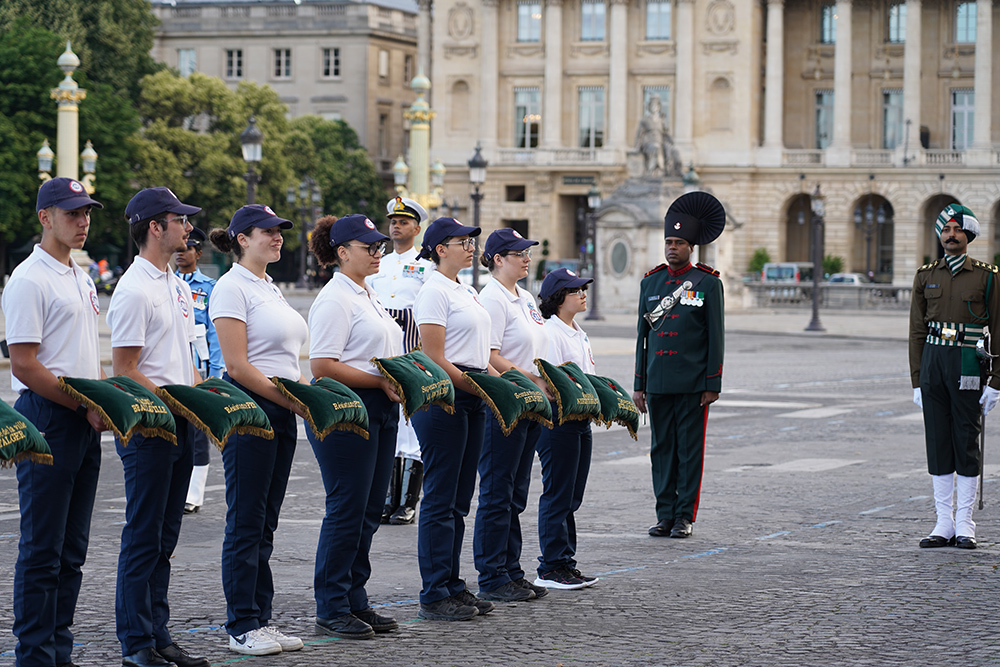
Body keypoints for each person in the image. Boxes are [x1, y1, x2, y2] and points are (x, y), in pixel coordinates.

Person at [4, 178, 107, 667]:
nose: (83, 221)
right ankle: (34, 654)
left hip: (82, 416)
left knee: (72, 550)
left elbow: (88, 354)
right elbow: (24, 363)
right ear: (45, 217)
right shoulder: (29, 278)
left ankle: (57, 650)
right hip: (48, 416)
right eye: (72, 213)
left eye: (86, 212)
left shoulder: (80, 277)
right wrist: (81, 403)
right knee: (43, 548)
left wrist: (104, 397)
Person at [107, 187, 210, 667]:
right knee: (144, 534)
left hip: (180, 421)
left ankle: (159, 631)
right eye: (180, 220)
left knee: (166, 537)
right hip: (150, 426)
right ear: (155, 226)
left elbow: (184, 359)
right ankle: (136, 642)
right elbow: (125, 368)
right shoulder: (134, 287)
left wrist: (197, 397)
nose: (189, 228)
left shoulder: (173, 281)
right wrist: (176, 402)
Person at [208, 205, 308, 655]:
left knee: (265, 521)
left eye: (279, 231)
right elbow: (236, 365)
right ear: (242, 239)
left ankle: (261, 618)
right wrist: (293, 400)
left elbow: (285, 359)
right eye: (267, 231)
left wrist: (305, 398)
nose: (277, 237)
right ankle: (242, 624)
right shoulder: (231, 287)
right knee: (246, 519)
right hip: (250, 409)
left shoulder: (269, 286)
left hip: (281, 408)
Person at [307, 214, 405, 639]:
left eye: (379, 246)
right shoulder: (335, 298)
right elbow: (323, 365)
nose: (378, 252)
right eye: (370, 247)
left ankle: (354, 597)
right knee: (347, 508)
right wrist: (381, 380)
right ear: (342, 252)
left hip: (379, 407)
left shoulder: (368, 294)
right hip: (347, 407)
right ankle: (331, 605)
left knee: (368, 510)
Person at [411, 217, 495, 621]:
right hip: (445, 397)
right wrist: (480, 387)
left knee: (459, 500)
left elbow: (478, 353)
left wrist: (507, 385)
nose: (471, 247)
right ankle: (434, 591)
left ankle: (453, 584)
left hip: (473, 392)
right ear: (440, 249)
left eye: (471, 241)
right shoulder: (433, 291)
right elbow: (433, 357)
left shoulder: (465, 289)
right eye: (463, 241)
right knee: (441, 498)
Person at [634, 192, 726, 540]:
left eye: (679, 243)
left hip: (691, 383)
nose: (672, 248)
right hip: (657, 381)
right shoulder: (651, 282)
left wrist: (711, 382)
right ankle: (664, 514)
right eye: (668, 242)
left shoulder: (708, 283)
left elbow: (715, 336)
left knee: (689, 451)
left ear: (691, 247)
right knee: (661, 451)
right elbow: (642, 337)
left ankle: (684, 516)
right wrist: (639, 383)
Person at [909, 204, 1000, 550]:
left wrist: (997, 380)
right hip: (933, 363)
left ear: (969, 235)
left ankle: (965, 522)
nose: (950, 236)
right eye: (945, 230)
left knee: (965, 439)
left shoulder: (988, 276)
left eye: (957, 230)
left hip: (968, 363)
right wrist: (917, 379)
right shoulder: (925, 275)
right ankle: (943, 522)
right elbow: (917, 331)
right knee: (937, 440)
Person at [473, 228, 551, 602]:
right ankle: (491, 573)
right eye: (518, 252)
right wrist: (526, 380)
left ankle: (511, 569)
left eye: (527, 251)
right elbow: (489, 355)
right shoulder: (492, 298)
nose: (526, 257)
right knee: (497, 490)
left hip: (529, 401)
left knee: (516, 492)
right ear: (497, 259)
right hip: (505, 404)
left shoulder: (525, 297)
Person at [532, 268, 599, 590]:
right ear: (559, 298)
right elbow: (552, 380)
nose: (583, 294)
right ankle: (551, 566)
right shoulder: (550, 332)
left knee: (572, 495)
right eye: (576, 290)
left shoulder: (576, 331)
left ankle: (565, 561)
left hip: (580, 418)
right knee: (558, 493)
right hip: (559, 419)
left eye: (584, 289)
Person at [367, 196, 432, 525]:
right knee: (391, 427)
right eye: (393, 221)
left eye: (404, 222)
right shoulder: (380, 263)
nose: (396, 226)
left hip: (413, 351)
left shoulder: (427, 266)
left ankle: (407, 500)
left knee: (410, 428)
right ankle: (388, 498)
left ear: (417, 229)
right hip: (384, 355)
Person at [174, 227, 224, 515]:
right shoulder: (168, 282)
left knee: (197, 434)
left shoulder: (209, 287)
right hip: (174, 366)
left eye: (188, 249)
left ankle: (193, 494)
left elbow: (216, 334)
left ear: (198, 253)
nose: (182, 253)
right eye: (180, 249)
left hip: (199, 367)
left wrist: (214, 372)